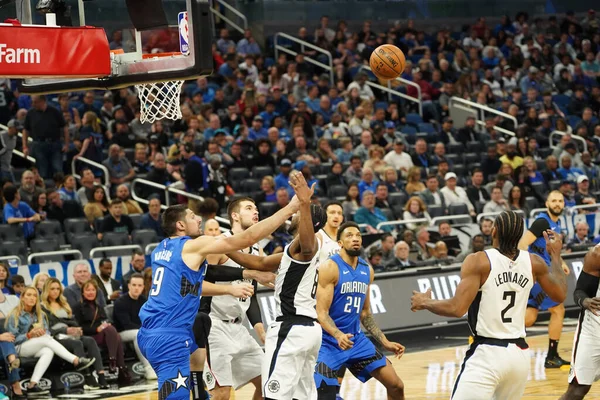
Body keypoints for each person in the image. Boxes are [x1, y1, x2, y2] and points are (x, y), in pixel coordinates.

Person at [137, 171, 305, 400]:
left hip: (156, 331)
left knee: (198, 389)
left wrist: (229, 288)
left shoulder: (162, 250)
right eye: (193, 216)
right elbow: (246, 239)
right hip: (170, 334)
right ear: (180, 225)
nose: (199, 220)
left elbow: (190, 287)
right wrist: (290, 208)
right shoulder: (192, 246)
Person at [411, 211, 567, 400]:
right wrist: (556, 255)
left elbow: (456, 308)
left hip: (488, 353)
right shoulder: (534, 262)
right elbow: (560, 294)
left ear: (494, 232)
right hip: (520, 355)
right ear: (519, 236)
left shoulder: (479, 261)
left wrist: (425, 302)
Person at [314, 221, 405, 399]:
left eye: (358, 235)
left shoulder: (367, 270)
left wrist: (384, 341)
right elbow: (321, 313)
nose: (355, 238)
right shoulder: (330, 267)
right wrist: (338, 335)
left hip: (357, 341)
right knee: (326, 395)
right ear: (339, 243)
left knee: (396, 385)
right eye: (349, 235)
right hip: (328, 343)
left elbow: (365, 313)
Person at [202, 197, 277, 400]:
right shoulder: (220, 243)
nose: (256, 212)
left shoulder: (256, 250)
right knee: (222, 394)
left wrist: (261, 331)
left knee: (268, 384)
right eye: (249, 208)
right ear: (235, 215)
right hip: (214, 327)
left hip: (239, 328)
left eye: (256, 208)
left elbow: (250, 296)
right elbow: (203, 282)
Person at [262, 184, 326, 400]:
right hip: (308, 329)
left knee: (274, 396)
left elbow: (307, 246)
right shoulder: (294, 249)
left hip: (292, 327)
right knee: (301, 396)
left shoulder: (310, 244)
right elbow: (259, 262)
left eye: (299, 213)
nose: (296, 214)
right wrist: (224, 246)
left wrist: (305, 203)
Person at [7, 287, 95, 395]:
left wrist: (41, 333)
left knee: (48, 351)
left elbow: (47, 333)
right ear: (22, 298)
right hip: (19, 347)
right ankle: (76, 360)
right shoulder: (15, 315)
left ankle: (32, 384)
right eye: (29, 295)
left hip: (37, 344)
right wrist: (29, 335)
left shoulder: (40, 314)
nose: (32, 298)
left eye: (35, 295)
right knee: (46, 340)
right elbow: (11, 339)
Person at [518, 191, 571, 368]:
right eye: (554, 201)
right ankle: (551, 356)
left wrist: (561, 262)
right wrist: (529, 269)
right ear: (547, 203)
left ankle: (497, 330)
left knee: (529, 317)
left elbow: (551, 249)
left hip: (544, 273)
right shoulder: (542, 221)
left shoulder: (556, 223)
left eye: (560, 201)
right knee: (558, 309)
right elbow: (522, 244)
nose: (557, 203)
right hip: (538, 275)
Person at [41, 278, 108, 389]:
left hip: (71, 334)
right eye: (52, 289)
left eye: (58, 288)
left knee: (90, 340)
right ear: (46, 290)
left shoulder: (64, 303)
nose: (55, 291)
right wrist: (65, 329)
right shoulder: (42, 307)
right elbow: (47, 329)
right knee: (77, 343)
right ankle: (87, 377)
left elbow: (74, 321)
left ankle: (101, 376)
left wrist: (76, 328)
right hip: (55, 338)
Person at [560, 245, 600, 400]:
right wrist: (585, 301)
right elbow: (579, 291)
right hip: (594, 328)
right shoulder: (596, 255)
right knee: (577, 391)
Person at [73, 279, 131, 384]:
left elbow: (104, 320)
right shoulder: (77, 307)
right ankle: (120, 367)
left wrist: (105, 325)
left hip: (104, 335)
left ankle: (115, 363)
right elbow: (78, 327)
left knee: (112, 331)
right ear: (83, 292)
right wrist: (96, 329)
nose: (91, 292)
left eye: (93, 290)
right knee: (113, 334)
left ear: (96, 292)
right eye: (88, 290)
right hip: (89, 336)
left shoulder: (98, 306)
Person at [113, 273, 156, 380]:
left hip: (142, 330)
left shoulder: (144, 300)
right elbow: (126, 324)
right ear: (129, 286)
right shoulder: (120, 302)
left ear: (143, 287)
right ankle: (148, 368)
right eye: (134, 285)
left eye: (139, 285)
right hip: (122, 333)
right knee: (138, 334)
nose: (136, 288)